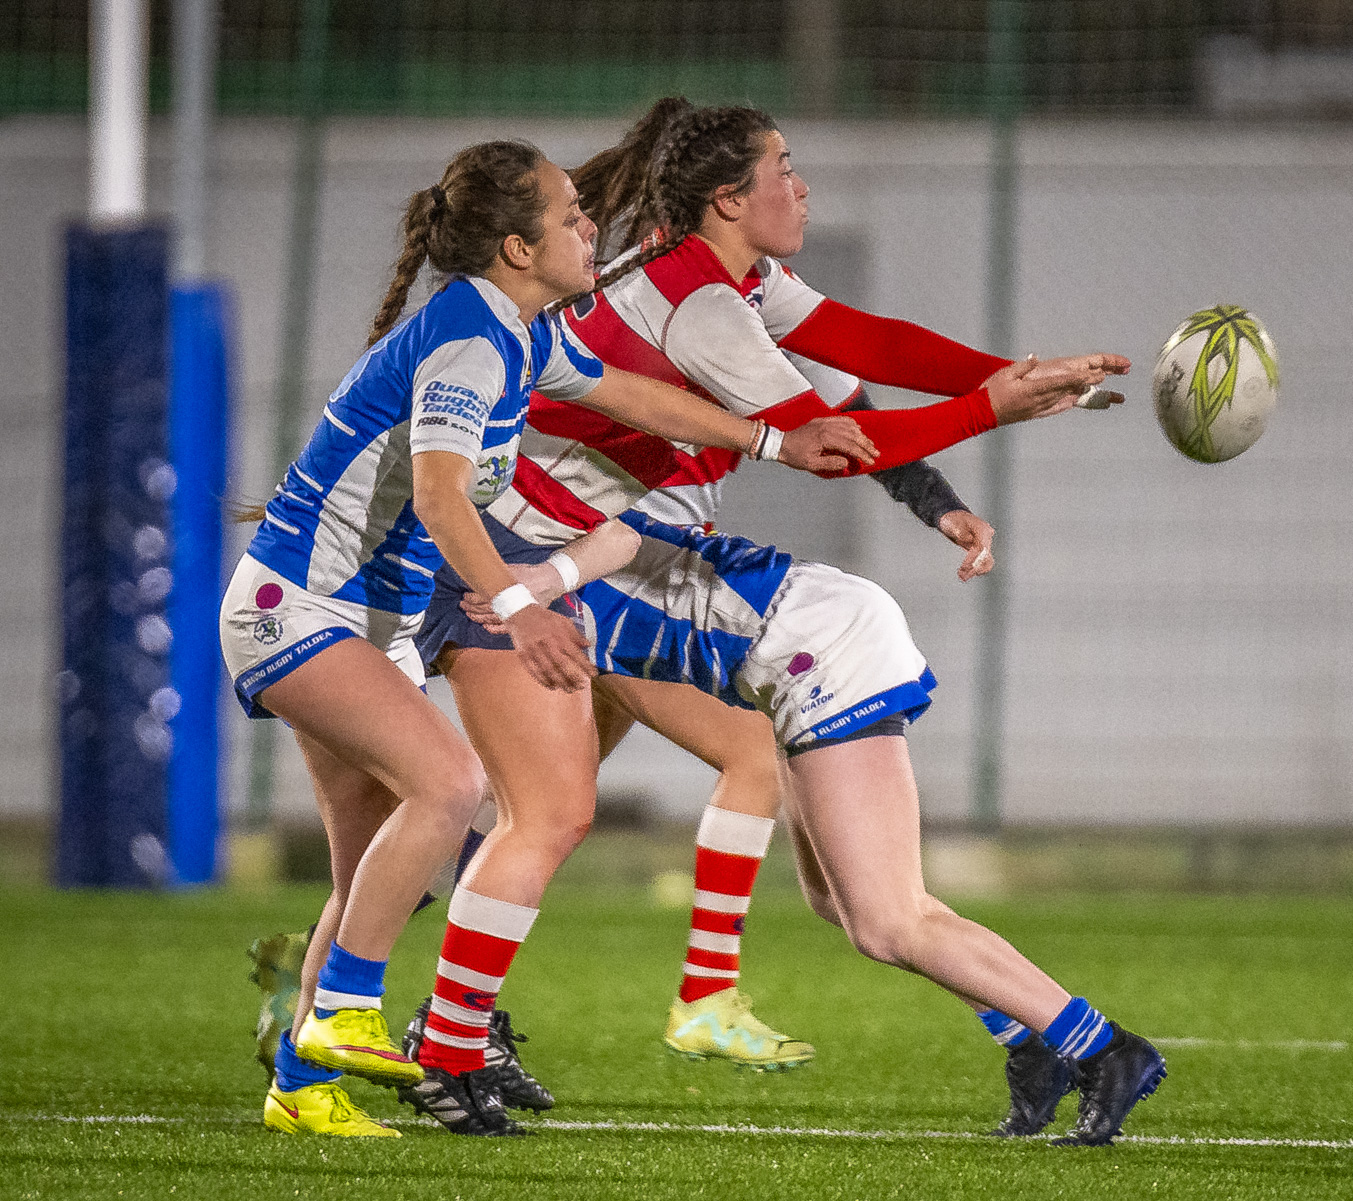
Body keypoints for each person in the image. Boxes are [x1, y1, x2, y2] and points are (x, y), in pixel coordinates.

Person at [406, 102, 1164, 1146]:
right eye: (785, 169)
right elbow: (824, 434)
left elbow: (863, 353)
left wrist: (1007, 384)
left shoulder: (727, 287)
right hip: (589, 561)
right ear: (728, 198)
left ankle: (421, 1019)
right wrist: (994, 402)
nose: (802, 188)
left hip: (715, 610)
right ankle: (414, 1005)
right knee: (826, 897)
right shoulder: (693, 308)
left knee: (560, 818)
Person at [221, 137, 873, 1139]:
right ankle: (346, 1009)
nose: (588, 226)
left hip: (365, 618)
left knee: (372, 875)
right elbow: (441, 500)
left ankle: (301, 1085)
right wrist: (521, 608)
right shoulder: (471, 343)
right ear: (518, 249)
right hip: (302, 608)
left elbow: (624, 393)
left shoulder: (518, 332)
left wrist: (778, 439)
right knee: (451, 786)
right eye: (571, 214)